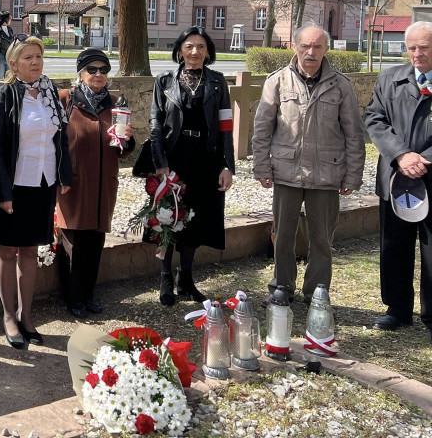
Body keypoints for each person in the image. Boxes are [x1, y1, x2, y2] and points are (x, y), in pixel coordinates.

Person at [253, 26, 364, 304]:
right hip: (286, 172)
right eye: (305, 46)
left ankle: (317, 291)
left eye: (317, 47)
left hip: (327, 173)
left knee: (322, 240)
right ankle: (281, 286)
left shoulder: (341, 85)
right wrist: (262, 167)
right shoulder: (277, 81)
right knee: (283, 235)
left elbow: (354, 133)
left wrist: (353, 175)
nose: (310, 52)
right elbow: (262, 128)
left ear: (326, 49)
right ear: (295, 47)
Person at [133, 26, 235, 305]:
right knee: (168, 217)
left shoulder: (217, 82)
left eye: (201, 47)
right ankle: (165, 278)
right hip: (173, 157)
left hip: (206, 158)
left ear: (208, 52)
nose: (195, 52)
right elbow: (155, 122)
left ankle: (186, 279)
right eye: (189, 46)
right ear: (180, 50)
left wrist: (227, 165)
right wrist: (160, 162)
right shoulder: (164, 80)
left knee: (195, 220)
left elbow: (226, 124)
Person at [0, 36, 71, 348]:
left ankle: (27, 316)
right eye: (27, 58)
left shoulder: (50, 91)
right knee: (8, 250)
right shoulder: (4, 94)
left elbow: (59, 138)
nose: (35, 62)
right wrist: (2, 191)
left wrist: (63, 175)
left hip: (43, 183)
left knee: (30, 251)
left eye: (38, 56)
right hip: (15, 184)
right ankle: (8, 316)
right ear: (13, 64)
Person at [364, 21, 432, 338]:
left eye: (425, 47)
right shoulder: (391, 78)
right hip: (396, 177)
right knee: (394, 245)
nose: (417, 54)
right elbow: (374, 119)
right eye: (412, 48)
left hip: (430, 177)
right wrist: (401, 155)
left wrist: (423, 158)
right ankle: (397, 309)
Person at [57, 48, 134, 319]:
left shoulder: (115, 104)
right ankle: (72, 296)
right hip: (74, 183)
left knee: (95, 241)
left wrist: (125, 138)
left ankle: (88, 293)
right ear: (80, 73)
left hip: (103, 183)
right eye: (92, 69)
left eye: (104, 69)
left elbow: (123, 150)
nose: (99, 74)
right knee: (73, 242)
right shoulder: (65, 100)